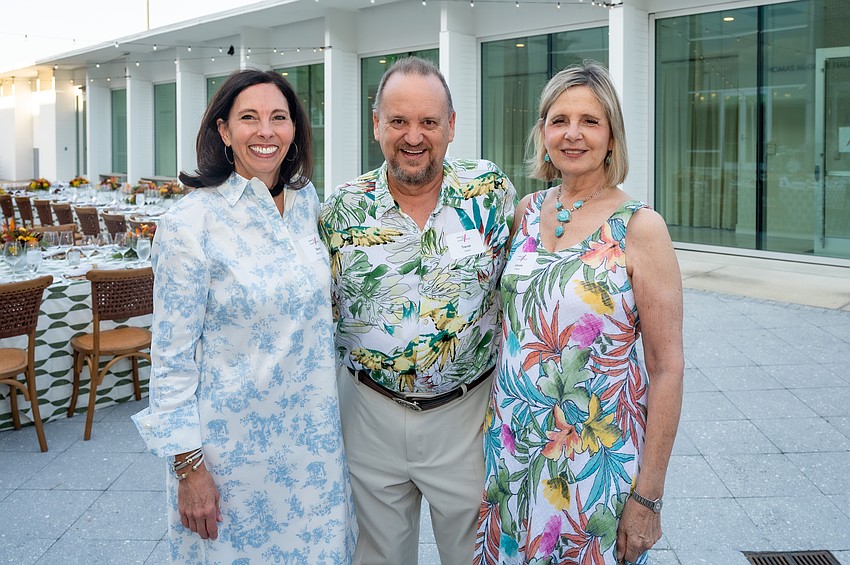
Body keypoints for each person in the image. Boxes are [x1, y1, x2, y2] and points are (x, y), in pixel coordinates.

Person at [132, 69, 356, 563]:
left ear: (295, 129)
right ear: (223, 131)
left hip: (314, 452)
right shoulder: (189, 224)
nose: (266, 131)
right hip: (231, 461)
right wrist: (188, 470)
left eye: (279, 117)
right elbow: (171, 359)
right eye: (249, 118)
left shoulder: (306, 205)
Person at [474, 61, 684, 564]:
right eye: (559, 119)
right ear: (542, 131)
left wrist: (648, 496)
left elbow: (667, 368)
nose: (573, 134)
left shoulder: (641, 228)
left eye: (590, 121)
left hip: (596, 460)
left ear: (612, 136)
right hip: (513, 450)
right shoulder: (525, 212)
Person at [319, 56, 516, 564]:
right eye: (398, 121)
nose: (413, 136)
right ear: (375, 125)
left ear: (451, 127)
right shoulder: (339, 210)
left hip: (466, 418)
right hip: (369, 416)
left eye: (428, 121)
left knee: (474, 557)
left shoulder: (490, 195)